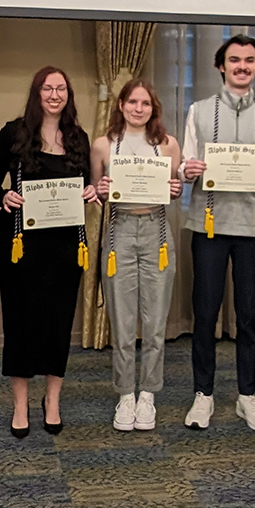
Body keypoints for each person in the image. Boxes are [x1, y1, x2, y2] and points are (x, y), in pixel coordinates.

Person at [0, 66, 98, 437]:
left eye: (61, 88)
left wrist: (91, 193)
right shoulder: (13, 133)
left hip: (64, 246)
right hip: (19, 244)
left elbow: (89, 185)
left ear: (69, 95)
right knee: (20, 321)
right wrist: (3, 196)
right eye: (47, 88)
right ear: (37, 93)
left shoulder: (78, 137)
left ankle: (52, 399)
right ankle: (19, 403)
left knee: (58, 320)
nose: (54, 94)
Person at [178, 35, 255, 431]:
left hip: (252, 228)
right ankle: (202, 394)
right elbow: (186, 165)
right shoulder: (199, 111)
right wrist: (187, 171)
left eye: (250, 60)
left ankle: (247, 395)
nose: (242, 66)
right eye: (235, 60)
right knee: (205, 314)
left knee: (248, 316)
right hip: (208, 225)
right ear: (220, 65)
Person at [92, 79, 183, 431]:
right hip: (119, 232)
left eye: (145, 103)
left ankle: (149, 394)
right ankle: (125, 394)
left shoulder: (168, 145)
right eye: (132, 102)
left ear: (153, 108)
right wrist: (99, 189)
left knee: (156, 322)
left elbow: (173, 190)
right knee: (124, 322)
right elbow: (95, 191)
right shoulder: (103, 145)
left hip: (157, 232)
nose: (138, 109)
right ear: (121, 105)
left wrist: (176, 188)